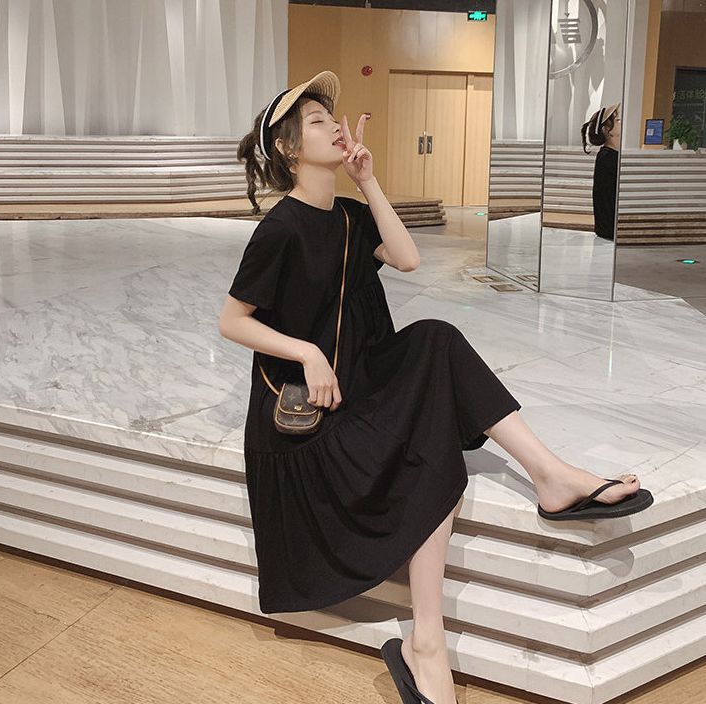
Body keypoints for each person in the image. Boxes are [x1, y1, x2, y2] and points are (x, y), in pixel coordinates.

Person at [218, 72, 652, 704]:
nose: (334, 127)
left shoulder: (348, 216)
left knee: (436, 338)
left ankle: (550, 478)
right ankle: (427, 642)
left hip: (358, 379)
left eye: (332, 118)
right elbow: (232, 321)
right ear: (287, 148)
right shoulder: (281, 228)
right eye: (316, 122)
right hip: (306, 415)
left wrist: (368, 179)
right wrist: (306, 352)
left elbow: (408, 258)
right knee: (430, 450)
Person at [581, 103, 621, 241]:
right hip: (609, 228)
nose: (620, 122)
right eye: (617, 120)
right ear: (607, 130)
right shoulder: (607, 157)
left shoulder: (612, 155)